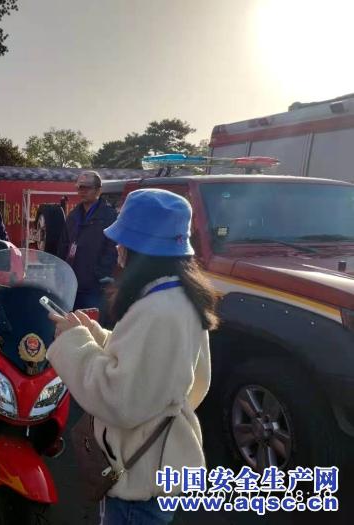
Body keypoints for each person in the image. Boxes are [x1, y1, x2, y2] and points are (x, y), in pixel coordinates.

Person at [47, 188, 218, 525]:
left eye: (123, 241)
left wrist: (74, 342)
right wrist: (94, 334)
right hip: (155, 468)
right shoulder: (180, 297)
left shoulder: (157, 311)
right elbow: (182, 376)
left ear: (141, 250)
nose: (117, 249)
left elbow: (118, 400)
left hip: (137, 484)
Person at [57, 171, 117, 310]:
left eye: (87, 187)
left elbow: (112, 249)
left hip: (95, 287)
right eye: (80, 187)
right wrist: (61, 273)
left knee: (90, 321)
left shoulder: (109, 216)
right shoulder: (73, 216)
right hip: (72, 284)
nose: (83, 191)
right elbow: (63, 246)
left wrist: (100, 274)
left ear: (98, 190)